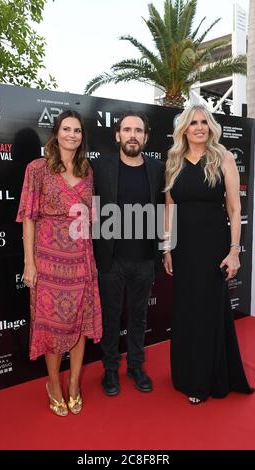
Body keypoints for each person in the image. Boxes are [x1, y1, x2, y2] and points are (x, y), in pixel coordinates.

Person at [163, 104, 254, 404]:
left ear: (210, 126)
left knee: (207, 311)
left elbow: (234, 208)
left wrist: (234, 251)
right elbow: (170, 209)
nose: (199, 127)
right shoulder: (174, 160)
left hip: (214, 247)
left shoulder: (223, 157)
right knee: (187, 310)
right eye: (193, 123)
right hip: (183, 248)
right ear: (184, 129)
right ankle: (186, 374)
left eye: (204, 122)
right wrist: (167, 247)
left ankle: (204, 380)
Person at [16, 110, 102, 416]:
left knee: (79, 324)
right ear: (56, 133)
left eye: (77, 130)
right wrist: (29, 263)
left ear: (82, 136)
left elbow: (90, 220)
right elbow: (28, 218)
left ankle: (75, 384)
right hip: (48, 260)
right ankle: (53, 383)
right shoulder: (37, 169)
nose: (72, 135)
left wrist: (90, 260)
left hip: (81, 259)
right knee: (52, 328)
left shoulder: (87, 169)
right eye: (66, 129)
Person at [91, 111, 165, 396]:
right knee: (110, 317)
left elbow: (165, 209)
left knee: (138, 317)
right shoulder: (100, 166)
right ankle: (110, 369)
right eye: (127, 129)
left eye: (138, 130)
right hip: (110, 258)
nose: (132, 135)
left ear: (145, 137)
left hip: (145, 258)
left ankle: (136, 365)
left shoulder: (158, 168)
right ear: (117, 135)